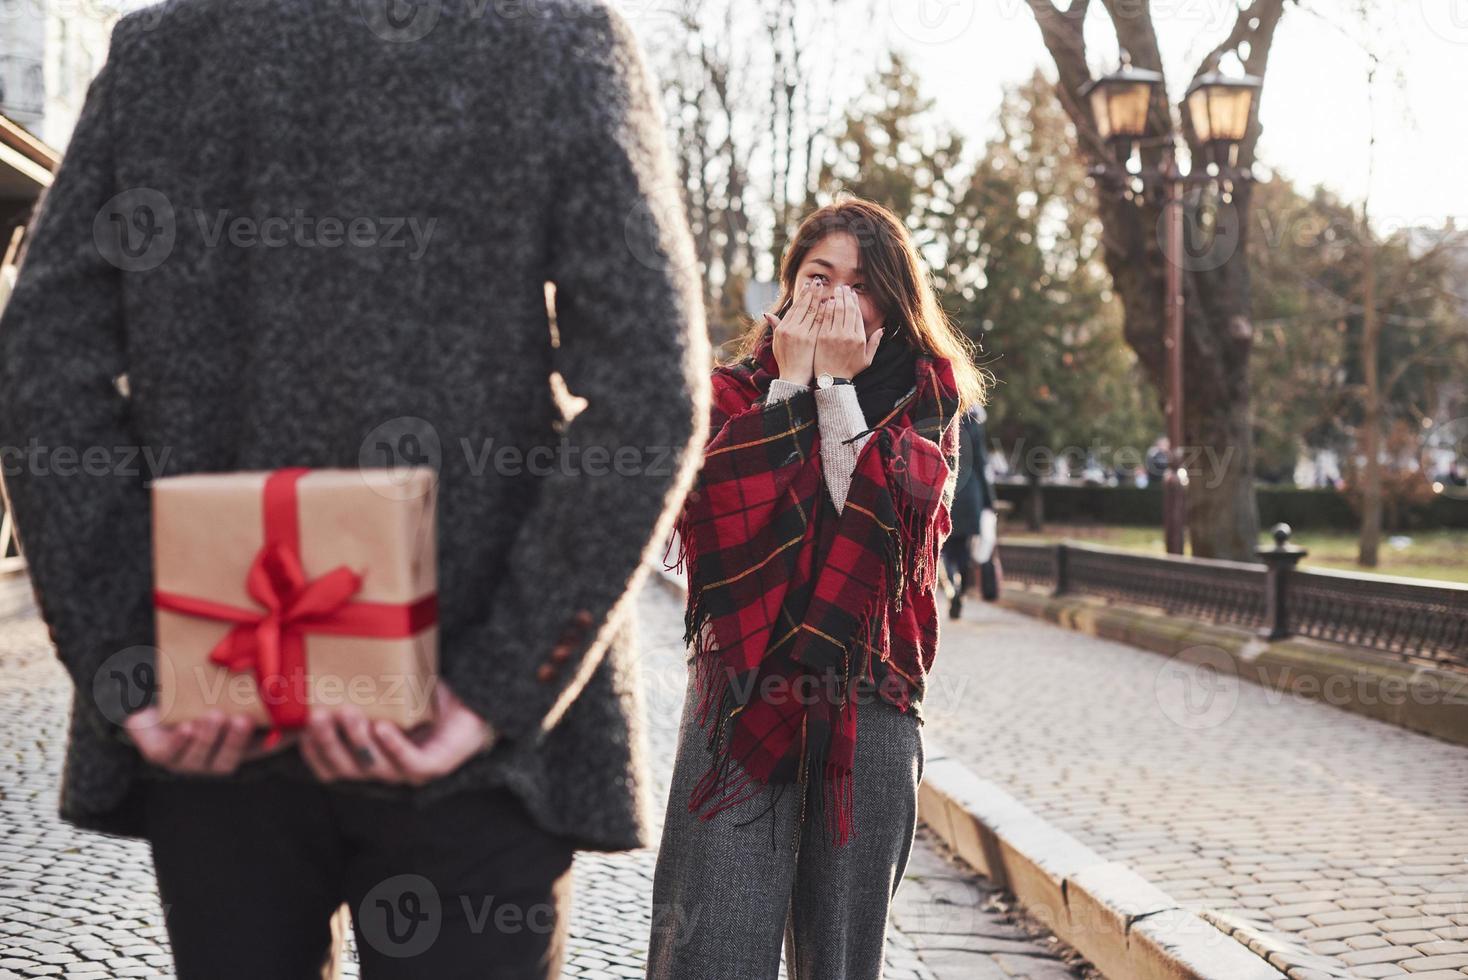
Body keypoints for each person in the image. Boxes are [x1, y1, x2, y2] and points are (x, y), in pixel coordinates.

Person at [0, 2, 707, 978]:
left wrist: (135, 653)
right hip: (468, 724)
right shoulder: (555, 38)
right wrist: (495, 687)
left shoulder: (164, 50)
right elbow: (650, 389)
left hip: (221, 691)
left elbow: (41, 369)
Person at [648, 199, 988, 979]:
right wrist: (792, 389)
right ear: (788, 292)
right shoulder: (730, 394)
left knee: (838, 960)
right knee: (710, 950)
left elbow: (875, 533)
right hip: (739, 701)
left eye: (862, 285)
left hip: (867, 700)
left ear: (894, 302)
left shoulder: (928, 402)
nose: (837, 299)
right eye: (818, 277)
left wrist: (834, 390)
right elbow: (731, 535)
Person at [941, 404, 998, 619]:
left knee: (947, 549)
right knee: (964, 549)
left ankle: (953, 586)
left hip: (947, 492)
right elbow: (981, 465)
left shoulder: (941, 417)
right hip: (971, 494)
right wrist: (989, 502)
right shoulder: (974, 422)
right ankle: (961, 590)